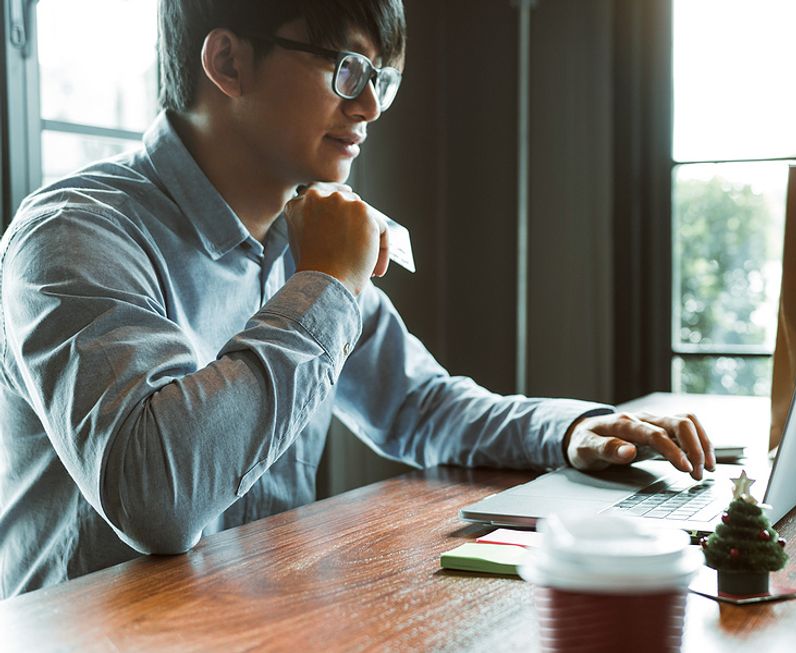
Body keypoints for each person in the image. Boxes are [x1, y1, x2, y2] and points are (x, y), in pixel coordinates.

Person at [0, 0, 714, 598]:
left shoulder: (307, 234)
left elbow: (420, 406)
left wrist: (570, 430)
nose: (370, 105)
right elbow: (158, 497)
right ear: (227, 64)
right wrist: (328, 284)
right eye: (347, 69)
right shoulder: (74, 235)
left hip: (256, 622)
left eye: (383, 78)